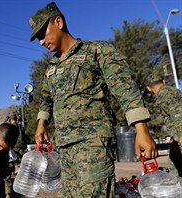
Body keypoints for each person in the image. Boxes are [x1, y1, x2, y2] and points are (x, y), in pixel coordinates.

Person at [29, 2, 157, 197]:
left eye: (42, 34)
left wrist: (141, 128)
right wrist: (41, 123)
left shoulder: (96, 50)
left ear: (58, 22)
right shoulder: (51, 68)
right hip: (64, 148)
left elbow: (124, 88)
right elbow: (46, 98)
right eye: (37, 38)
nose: (40, 42)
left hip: (93, 144)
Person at [144, 74, 182, 184]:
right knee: (174, 165)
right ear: (164, 81)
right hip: (176, 137)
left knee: (177, 167)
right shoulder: (169, 91)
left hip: (180, 134)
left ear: (148, 88)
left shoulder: (165, 94)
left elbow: (178, 112)